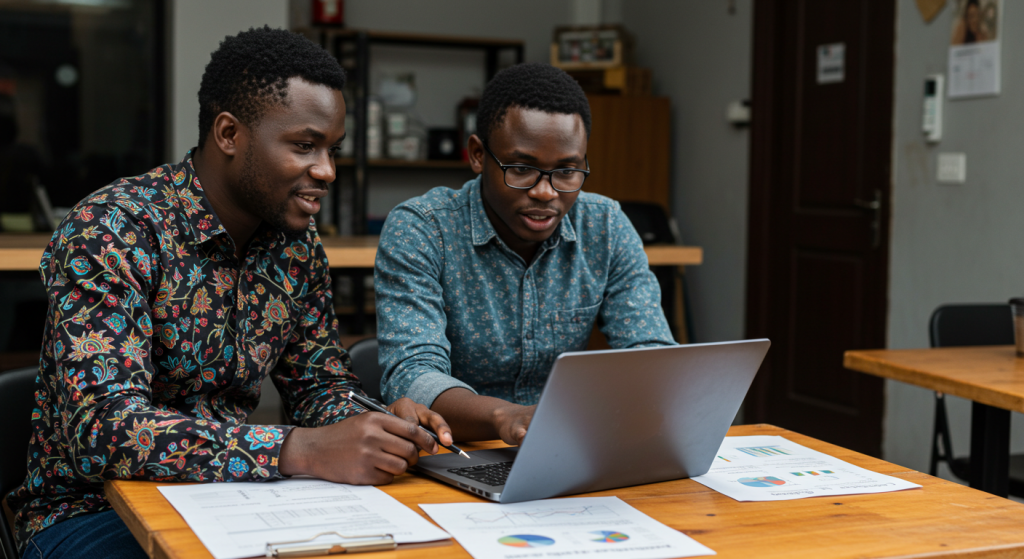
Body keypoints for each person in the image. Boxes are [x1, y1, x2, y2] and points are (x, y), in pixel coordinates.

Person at [7, 27, 453, 559]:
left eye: (333, 149)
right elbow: (104, 430)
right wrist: (298, 449)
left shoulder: (295, 244)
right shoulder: (113, 228)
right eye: (304, 146)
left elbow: (316, 385)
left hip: (233, 499)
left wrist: (375, 421)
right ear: (228, 134)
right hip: (87, 514)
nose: (327, 171)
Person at [375, 63, 675, 448]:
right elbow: (413, 375)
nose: (546, 193)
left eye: (567, 171)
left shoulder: (606, 226)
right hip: (457, 452)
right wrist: (506, 416)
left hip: (570, 445)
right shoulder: (422, 229)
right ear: (478, 155)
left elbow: (649, 354)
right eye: (521, 168)